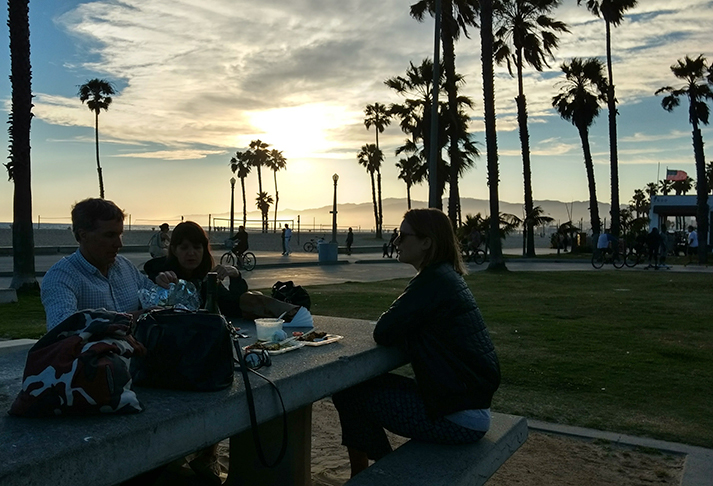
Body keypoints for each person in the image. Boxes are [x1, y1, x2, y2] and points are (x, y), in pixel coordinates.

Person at [332, 208, 500, 477]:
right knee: (353, 387)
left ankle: (377, 475)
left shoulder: (432, 282)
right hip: (462, 405)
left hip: (458, 419)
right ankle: (370, 473)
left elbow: (384, 331)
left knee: (348, 393)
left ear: (426, 242)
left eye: (402, 235)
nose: (396, 242)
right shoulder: (444, 276)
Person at [41, 198, 160, 331]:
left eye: (120, 235)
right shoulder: (62, 276)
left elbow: (155, 297)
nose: (119, 244)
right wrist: (131, 318)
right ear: (83, 235)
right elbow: (61, 328)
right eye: (110, 235)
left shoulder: (126, 267)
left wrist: (163, 283)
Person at [145, 221, 248, 317]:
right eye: (184, 248)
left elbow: (234, 308)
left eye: (197, 247)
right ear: (174, 250)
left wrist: (235, 275)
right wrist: (158, 279)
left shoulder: (205, 279)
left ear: (204, 250)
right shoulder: (163, 277)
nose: (191, 253)